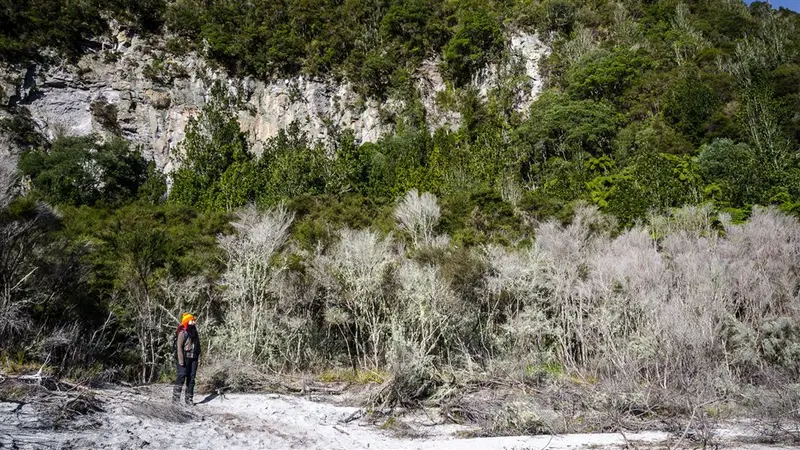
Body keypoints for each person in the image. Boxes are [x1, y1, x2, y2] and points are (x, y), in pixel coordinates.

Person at [172, 313, 201, 405]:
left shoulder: (195, 332)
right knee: (181, 377)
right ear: (187, 321)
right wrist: (181, 361)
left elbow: (197, 346)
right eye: (192, 320)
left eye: (194, 320)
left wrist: (198, 356)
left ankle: (189, 399)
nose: (194, 322)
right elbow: (179, 348)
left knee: (191, 379)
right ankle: (175, 400)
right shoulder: (182, 333)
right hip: (184, 358)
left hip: (193, 358)